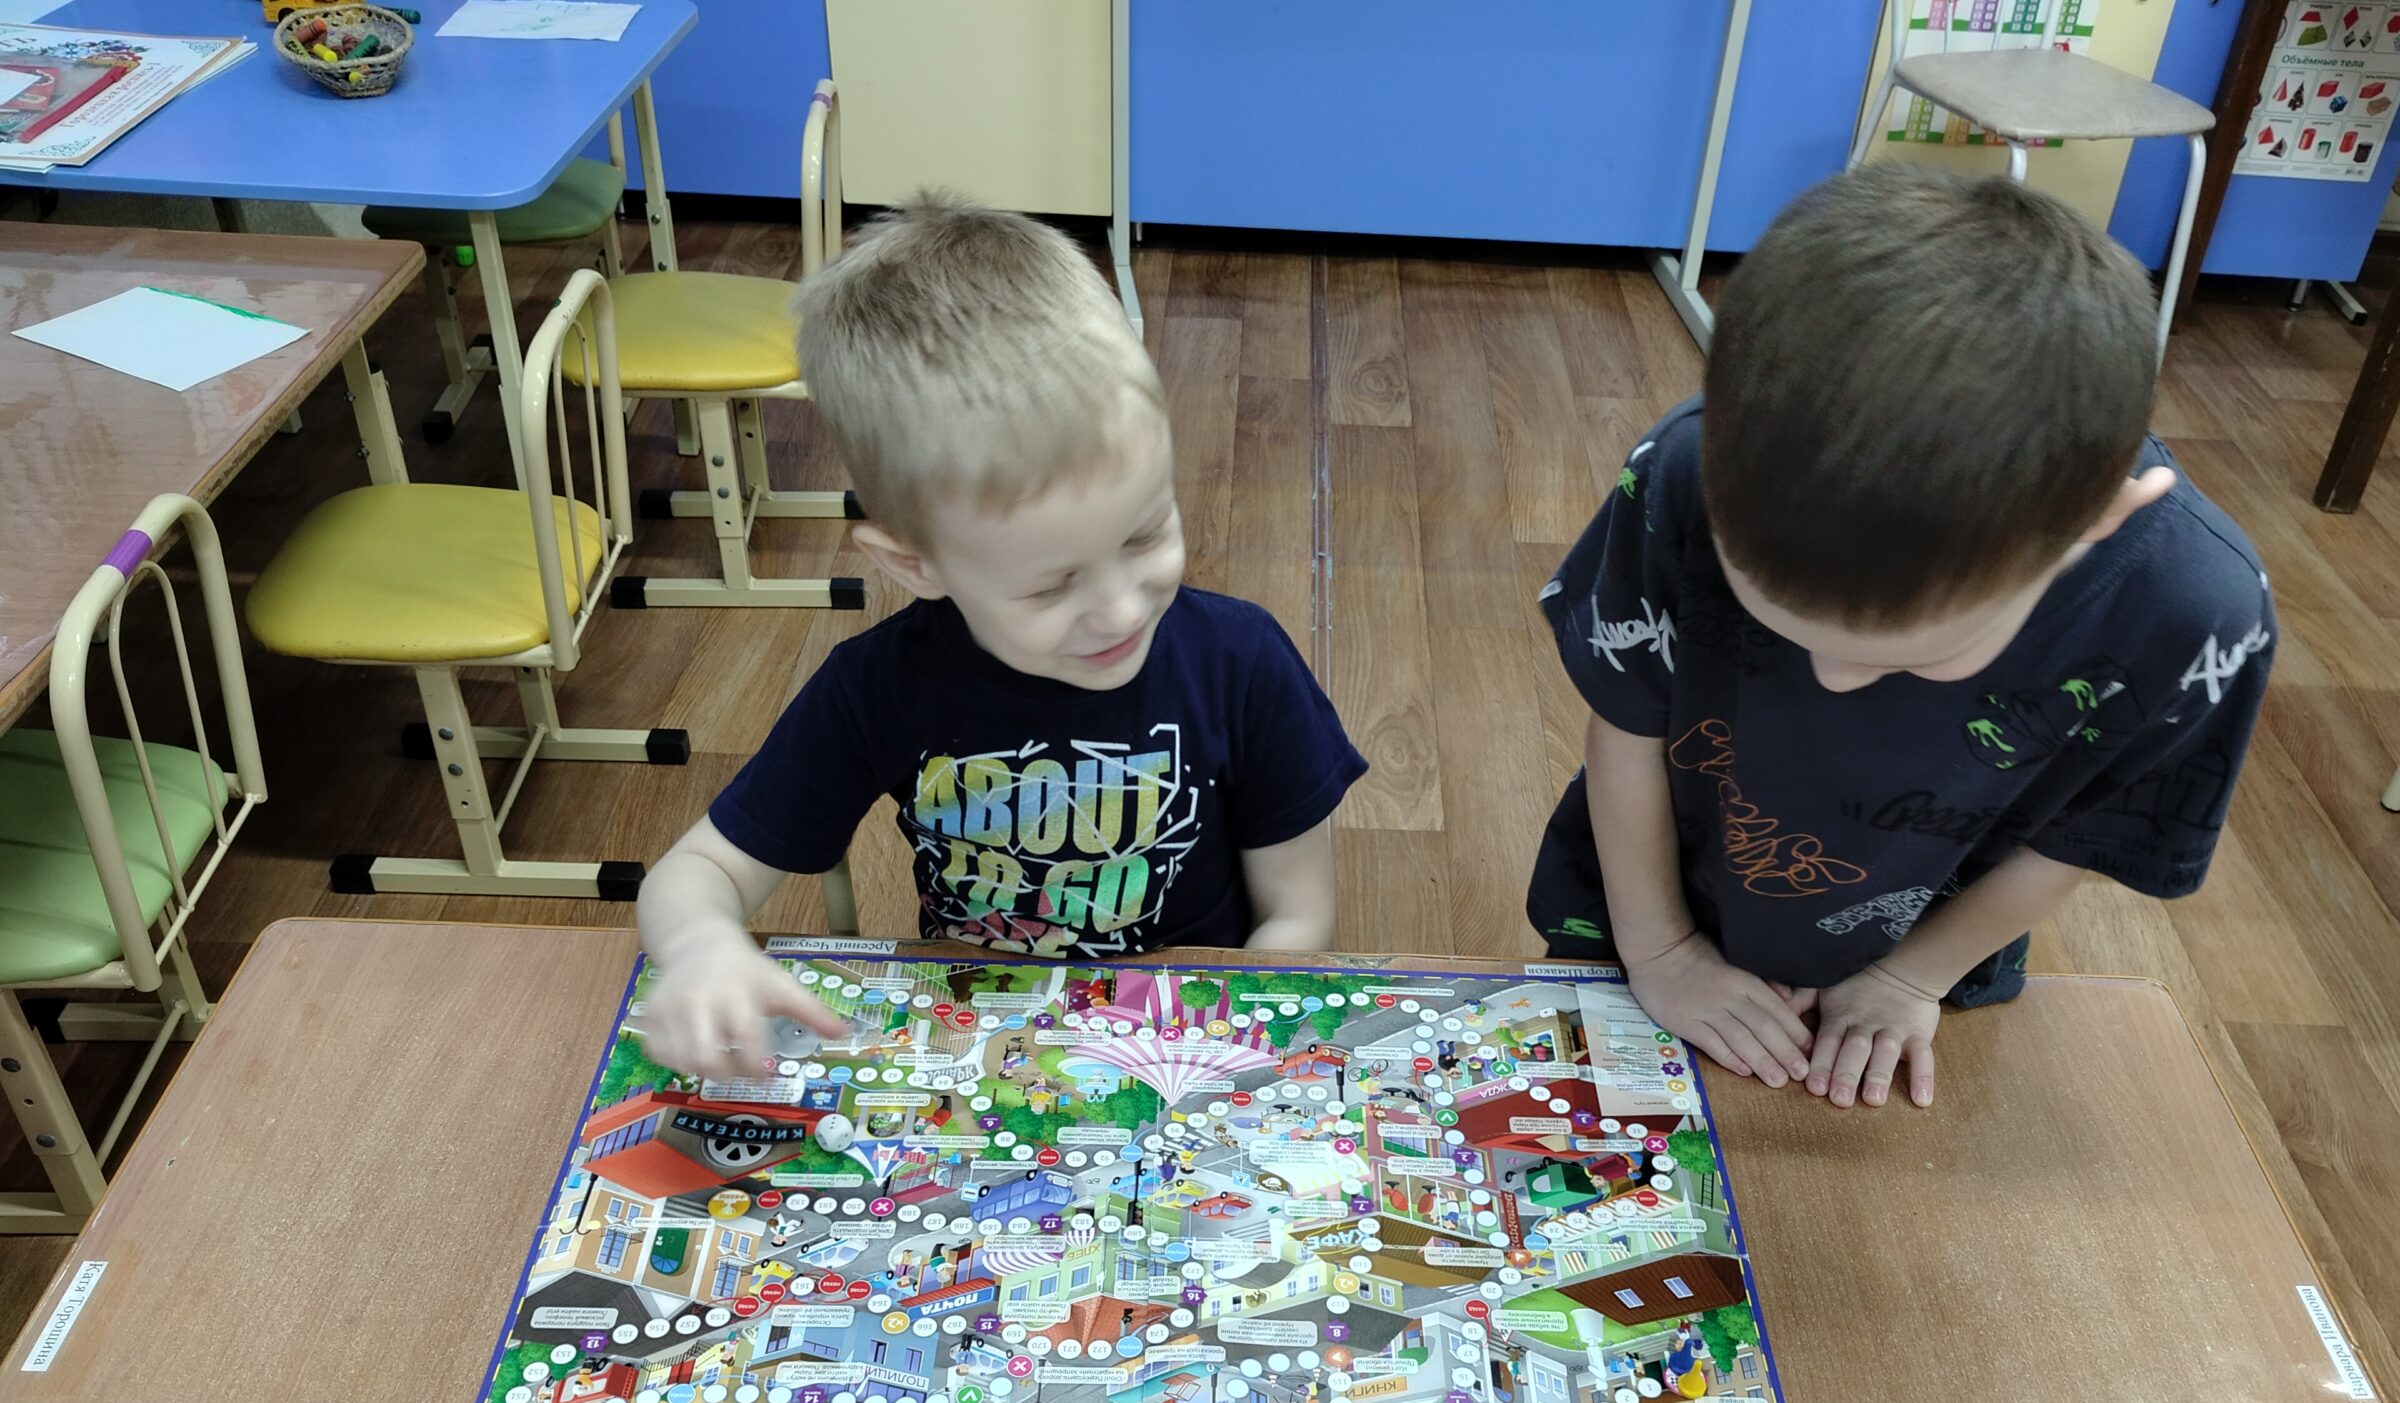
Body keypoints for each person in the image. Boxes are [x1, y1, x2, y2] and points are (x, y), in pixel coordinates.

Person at [1530, 165, 2273, 1109]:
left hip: (1931, 945)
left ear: (2097, 523)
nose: (1833, 682)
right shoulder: (1684, 470)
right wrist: (1663, 947)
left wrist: (1911, 977)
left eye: (1919, 655)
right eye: (1776, 621)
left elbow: (2085, 833)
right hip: (1646, 900)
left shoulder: (2195, 612)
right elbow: (1630, 720)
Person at [636, 197, 1366, 1077]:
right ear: (914, 565)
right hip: (982, 1046)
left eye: (1145, 535)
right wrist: (703, 947)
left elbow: (1298, 915)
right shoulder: (876, 687)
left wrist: (1204, 1054)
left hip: (1185, 1038)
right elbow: (698, 873)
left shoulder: (1241, 662)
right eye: (1051, 585)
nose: (1121, 611)